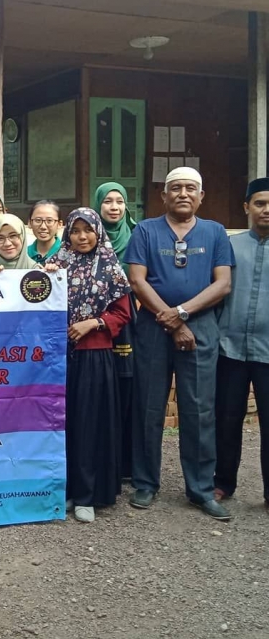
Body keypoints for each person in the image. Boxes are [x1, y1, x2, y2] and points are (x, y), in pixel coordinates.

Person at [125, 167, 234, 520]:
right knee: (148, 406)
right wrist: (171, 321)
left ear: (201, 196)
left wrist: (182, 314)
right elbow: (138, 281)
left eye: (191, 188)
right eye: (176, 188)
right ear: (164, 196)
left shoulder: (216, 232)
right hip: (153, 328)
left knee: (199, 409)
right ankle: (145, 482)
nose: (183, 193)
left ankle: (201, 489)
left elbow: (223, 285)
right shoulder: (145, 230)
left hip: (200, 327)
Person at [54, 209, 132, 523]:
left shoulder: (110, 268)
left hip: (94, 355)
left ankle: (88, 494)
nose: (82, 237)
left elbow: (123, 313)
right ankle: (68, 489)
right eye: (76, 231)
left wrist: (93, 323)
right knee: (64, 423)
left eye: (88, 230)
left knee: (89, 424)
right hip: (59, 357)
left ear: (98, 232)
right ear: (67, 234)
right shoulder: (56, 266)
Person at [214, 177, 269, 506]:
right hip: (230, 347)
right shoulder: (230, 247)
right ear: (246, 207)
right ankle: (223, 482)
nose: (266, 210)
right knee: (227, 418)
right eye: (260, 203)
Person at [93, 182, 137, 480]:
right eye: (107, 201)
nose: (114, 207)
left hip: (130, 323)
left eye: (119, 201)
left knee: (128, 386)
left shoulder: (137, 238)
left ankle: (127, 464)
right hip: (94, 329)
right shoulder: (88, 238)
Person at [27, 200, 63, 265]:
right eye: (38, 220)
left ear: (59, 224)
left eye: (49, 220)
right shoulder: (24, 254)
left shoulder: (68, 253)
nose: (43, 227)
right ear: (29, 223)